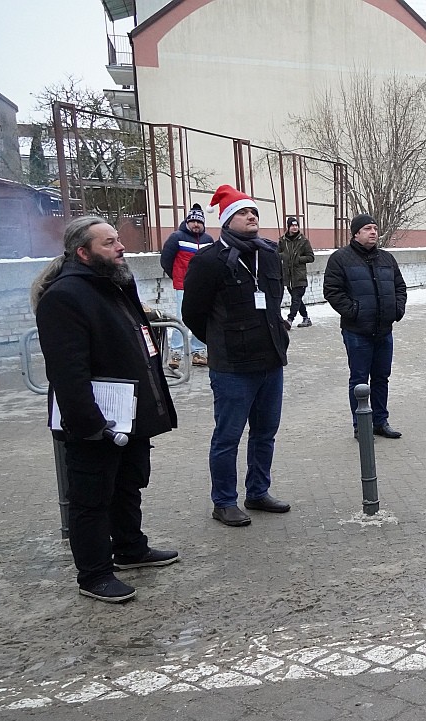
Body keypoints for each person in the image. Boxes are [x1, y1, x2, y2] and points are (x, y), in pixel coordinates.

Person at [33, 216, 180, 603]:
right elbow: (68, 372)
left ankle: (131, 549)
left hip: (129, 414)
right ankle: (94, 574)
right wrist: (91, 424)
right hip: (95, 420)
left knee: (128, 484)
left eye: (118, 240)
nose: (121, 248)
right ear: (83, 252)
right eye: (109, 243)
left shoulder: (115, 285)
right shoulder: (65, 296)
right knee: (92, 498)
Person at [183, 185, 291, 527]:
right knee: (228, 436)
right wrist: (220, 341)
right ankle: (224, 501)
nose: (252, 217)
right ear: (228, 220)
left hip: (270, 362)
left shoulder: (270, 255)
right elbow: (193, 313)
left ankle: (258, 492)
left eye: (255, 212)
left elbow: (274, 301)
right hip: (232, 367)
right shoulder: (208, 261)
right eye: (244, 213)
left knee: (265, 433)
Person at [323, 213, 408, 440]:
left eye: (375, 228)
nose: (373, 232)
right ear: (356, 233)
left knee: (381, 378)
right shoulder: (340, 259)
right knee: (359, 380)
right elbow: (332, 291)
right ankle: (361, 424)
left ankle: (380, 421)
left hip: (384, 330)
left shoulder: (387, 259)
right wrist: (355, 312)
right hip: (357, 331)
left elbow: (400, 287)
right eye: (368, 228)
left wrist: (397, 310)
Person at [159, 204, 213, 367]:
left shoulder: (208, 240)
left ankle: (198, 352)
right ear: (188, 222)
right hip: (183, 285)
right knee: (181, 318)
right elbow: (166, 260)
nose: (196, 224)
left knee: (201, 318)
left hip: (203, 286)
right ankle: (176, 352)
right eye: (193, 221)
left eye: (199, 222)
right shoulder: (176, 237)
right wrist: (176, 276)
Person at [278, 216, 315, 328]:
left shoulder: (303, 241)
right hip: (288, 276)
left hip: (299, 276)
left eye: (296, 225)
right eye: (292, 225)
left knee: (296, 298)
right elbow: (276, 254)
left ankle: (289, 320)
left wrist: (299, 259)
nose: (295, 227)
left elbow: (311, 257)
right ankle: (306, 318)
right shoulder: (282, 240)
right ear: (288, 227)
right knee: (297, 300)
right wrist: (283, 256)